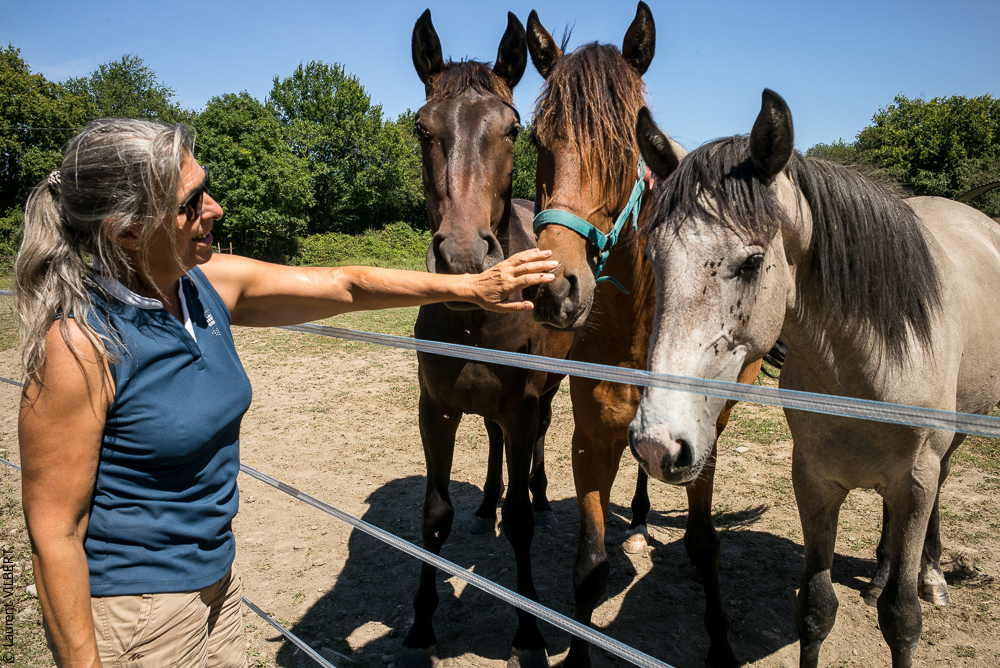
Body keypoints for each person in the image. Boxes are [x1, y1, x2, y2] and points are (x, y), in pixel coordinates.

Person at [16, 118, 557, 668]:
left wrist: (467, 287)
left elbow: (344, 285)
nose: (215, 209)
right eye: (191, 202)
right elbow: (54, 529)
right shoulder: (79, 343)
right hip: (136, 616)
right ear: (126, 231)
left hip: (218, 588)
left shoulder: (205, 286)